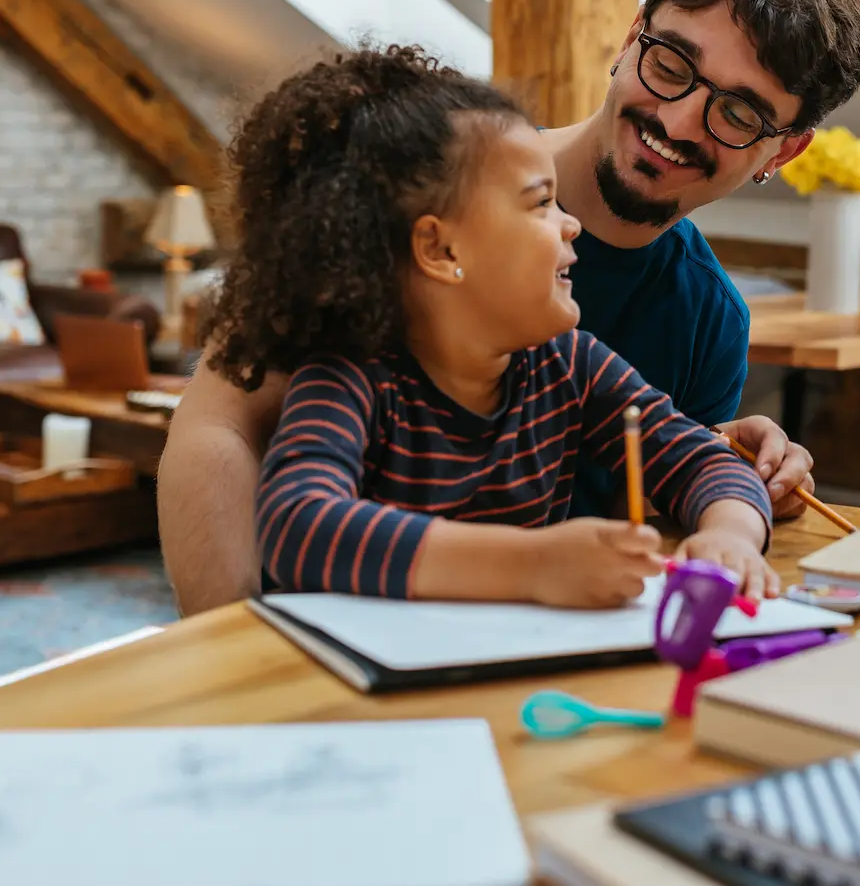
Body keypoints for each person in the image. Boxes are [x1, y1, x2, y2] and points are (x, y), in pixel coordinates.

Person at [159, 0, 860, 613]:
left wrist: (735, 502)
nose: (681, 122)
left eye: (740, 114)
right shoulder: (414, 208)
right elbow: (235, 447)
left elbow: (678, 481)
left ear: (782, 152)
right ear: (631, 39)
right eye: (672, 65)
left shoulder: (602, 348)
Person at [215, 47, 775, 605]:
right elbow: (299, 529)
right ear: (440, 248)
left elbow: (704, 460)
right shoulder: (353, 376)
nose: (571, 224)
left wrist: (731, 536)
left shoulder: (574, 365)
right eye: (541, 204)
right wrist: (534, 566)